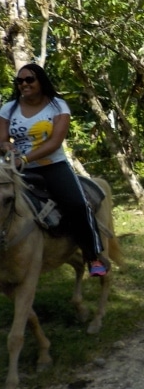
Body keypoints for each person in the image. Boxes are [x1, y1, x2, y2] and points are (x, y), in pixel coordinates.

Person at [0, 63, 109, 276]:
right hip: (16, 168)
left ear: (41, 81)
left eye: (29, 80)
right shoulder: (8, 108)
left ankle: (93, 256)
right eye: (20, 81)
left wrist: (25, 158)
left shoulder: (58, 106)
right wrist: (6, 146)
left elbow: (54, 142)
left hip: (52, 166)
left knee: (78, 204)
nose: (24, 84)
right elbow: (2, 139)